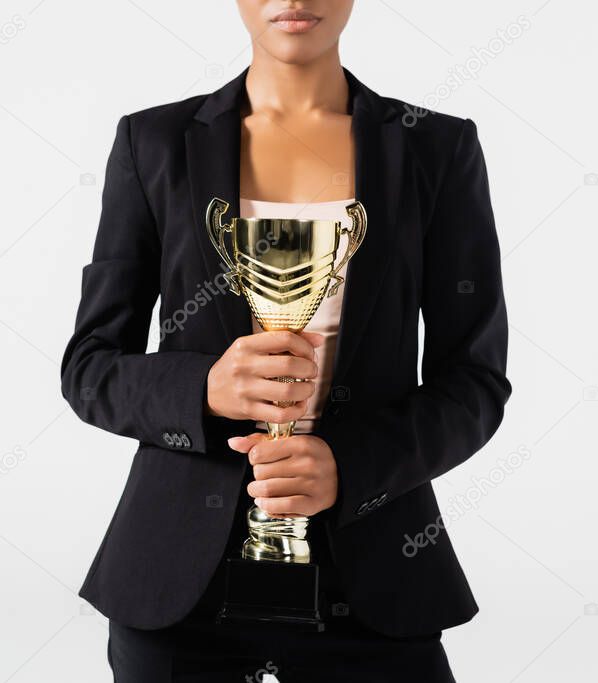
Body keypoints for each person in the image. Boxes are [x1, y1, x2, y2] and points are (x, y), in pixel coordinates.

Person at [61, 1, 512, 680]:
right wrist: (203, 387)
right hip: (176, 588)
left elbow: (474, 382)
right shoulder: (152, 143)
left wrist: (348, 466)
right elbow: (90, 366)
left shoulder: (435, 148)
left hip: (374, 578)